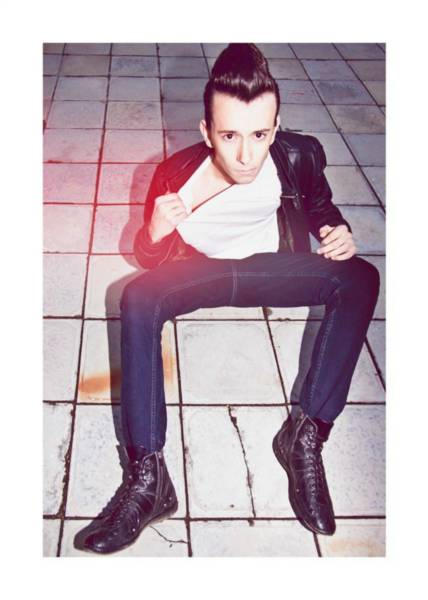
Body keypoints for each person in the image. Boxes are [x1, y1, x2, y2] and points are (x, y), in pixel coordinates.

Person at [77, 43, 380, 554]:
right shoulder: (175, 175)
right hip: (203, 273)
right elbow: (149, 257)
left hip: (270, 268)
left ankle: (306, 435)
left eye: (260, 135)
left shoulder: (301, 154)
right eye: (229, 136)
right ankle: (149, 479)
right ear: (206, 131)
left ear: (275, 126)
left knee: (362, 278)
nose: (245, 155)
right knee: (137, 297)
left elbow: (320, 206)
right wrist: (153, 231)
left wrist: (336, 230)